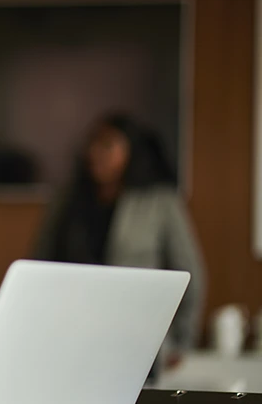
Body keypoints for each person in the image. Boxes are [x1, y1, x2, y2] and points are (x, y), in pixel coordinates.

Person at [32, 111, 206, 373]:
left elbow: (191, 272)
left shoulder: (160, 202)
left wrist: (181, 340)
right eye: (92, 143)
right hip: (73, 339)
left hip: (138, 342)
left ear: (131, 151)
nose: (95, 152)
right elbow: (39, 265)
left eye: (107, 145)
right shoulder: (67, 200)